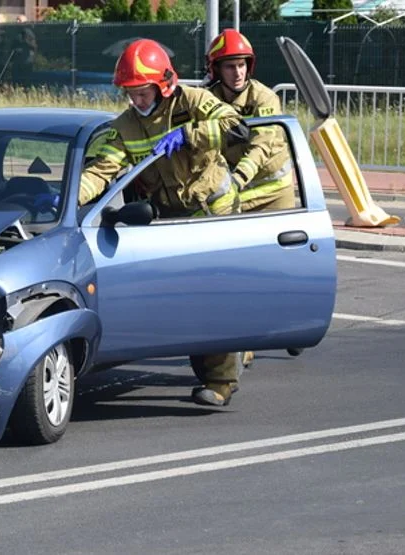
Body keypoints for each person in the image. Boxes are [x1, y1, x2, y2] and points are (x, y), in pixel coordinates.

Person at [78, 39, 251, 407]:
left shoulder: (192, 102)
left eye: (142, 92)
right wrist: (67, 197)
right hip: (168, 223)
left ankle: (221, 381)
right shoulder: (124, 126)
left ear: (163, 85)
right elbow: (102, 169)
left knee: (212, 298)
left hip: (212, 216)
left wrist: (189, 135)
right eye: (131, 94)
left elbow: (237, 128)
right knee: (182, 300)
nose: (137, 101)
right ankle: (223, 356)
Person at [206, 29, 295, 214]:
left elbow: (261, 147)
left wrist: (237, 180)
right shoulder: (209, 100)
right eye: (230, 66)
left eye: (241, 65)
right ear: (217, 70)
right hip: (239, 186)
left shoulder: (264, 98)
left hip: (272, 189)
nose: (238, 73)